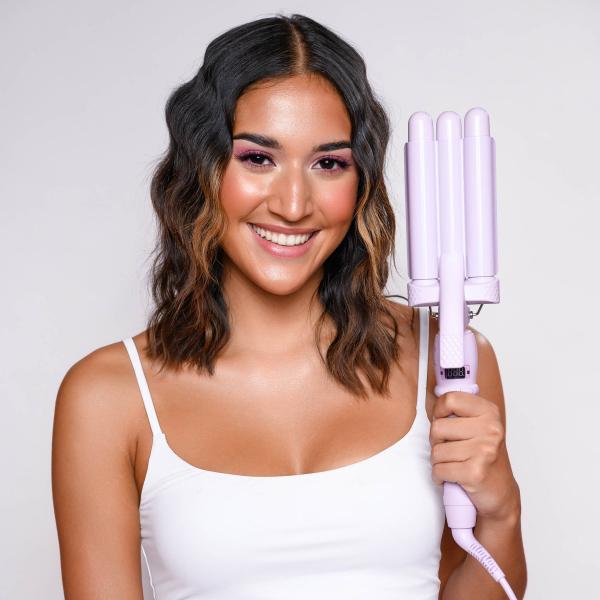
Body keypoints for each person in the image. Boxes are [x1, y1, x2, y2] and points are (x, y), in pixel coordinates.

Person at [51, 13, 526, 600]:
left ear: (361, 183)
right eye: (258, 158)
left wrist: (502, 512)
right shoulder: (108, 397)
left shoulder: (448, 359)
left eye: (329, 163)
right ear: (202, 168)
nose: (294, 204)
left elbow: (474, 578)